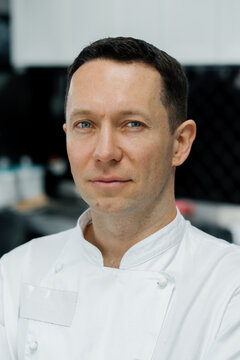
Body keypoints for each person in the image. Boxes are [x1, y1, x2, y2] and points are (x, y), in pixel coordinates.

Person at [1, 37, 240, 360]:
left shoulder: (228, 286)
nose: (104, 152)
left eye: (132, 124)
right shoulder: (16, 272)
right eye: (85, 124)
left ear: (180, 143)